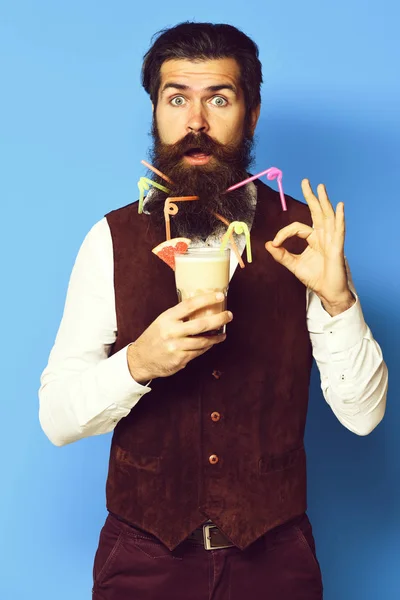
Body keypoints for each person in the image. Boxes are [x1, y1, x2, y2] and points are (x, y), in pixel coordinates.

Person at [39, 22, 388, 600]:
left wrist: (338, 299)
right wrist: (138, 363)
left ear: (250, 115)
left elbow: (363, 417)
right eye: (177, 98)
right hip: (142, 561)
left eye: (218, 99)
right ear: (155, 111)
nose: (195, 122)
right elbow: (56, 417)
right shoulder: (111, 239)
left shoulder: (304, 236)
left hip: (276, 562)